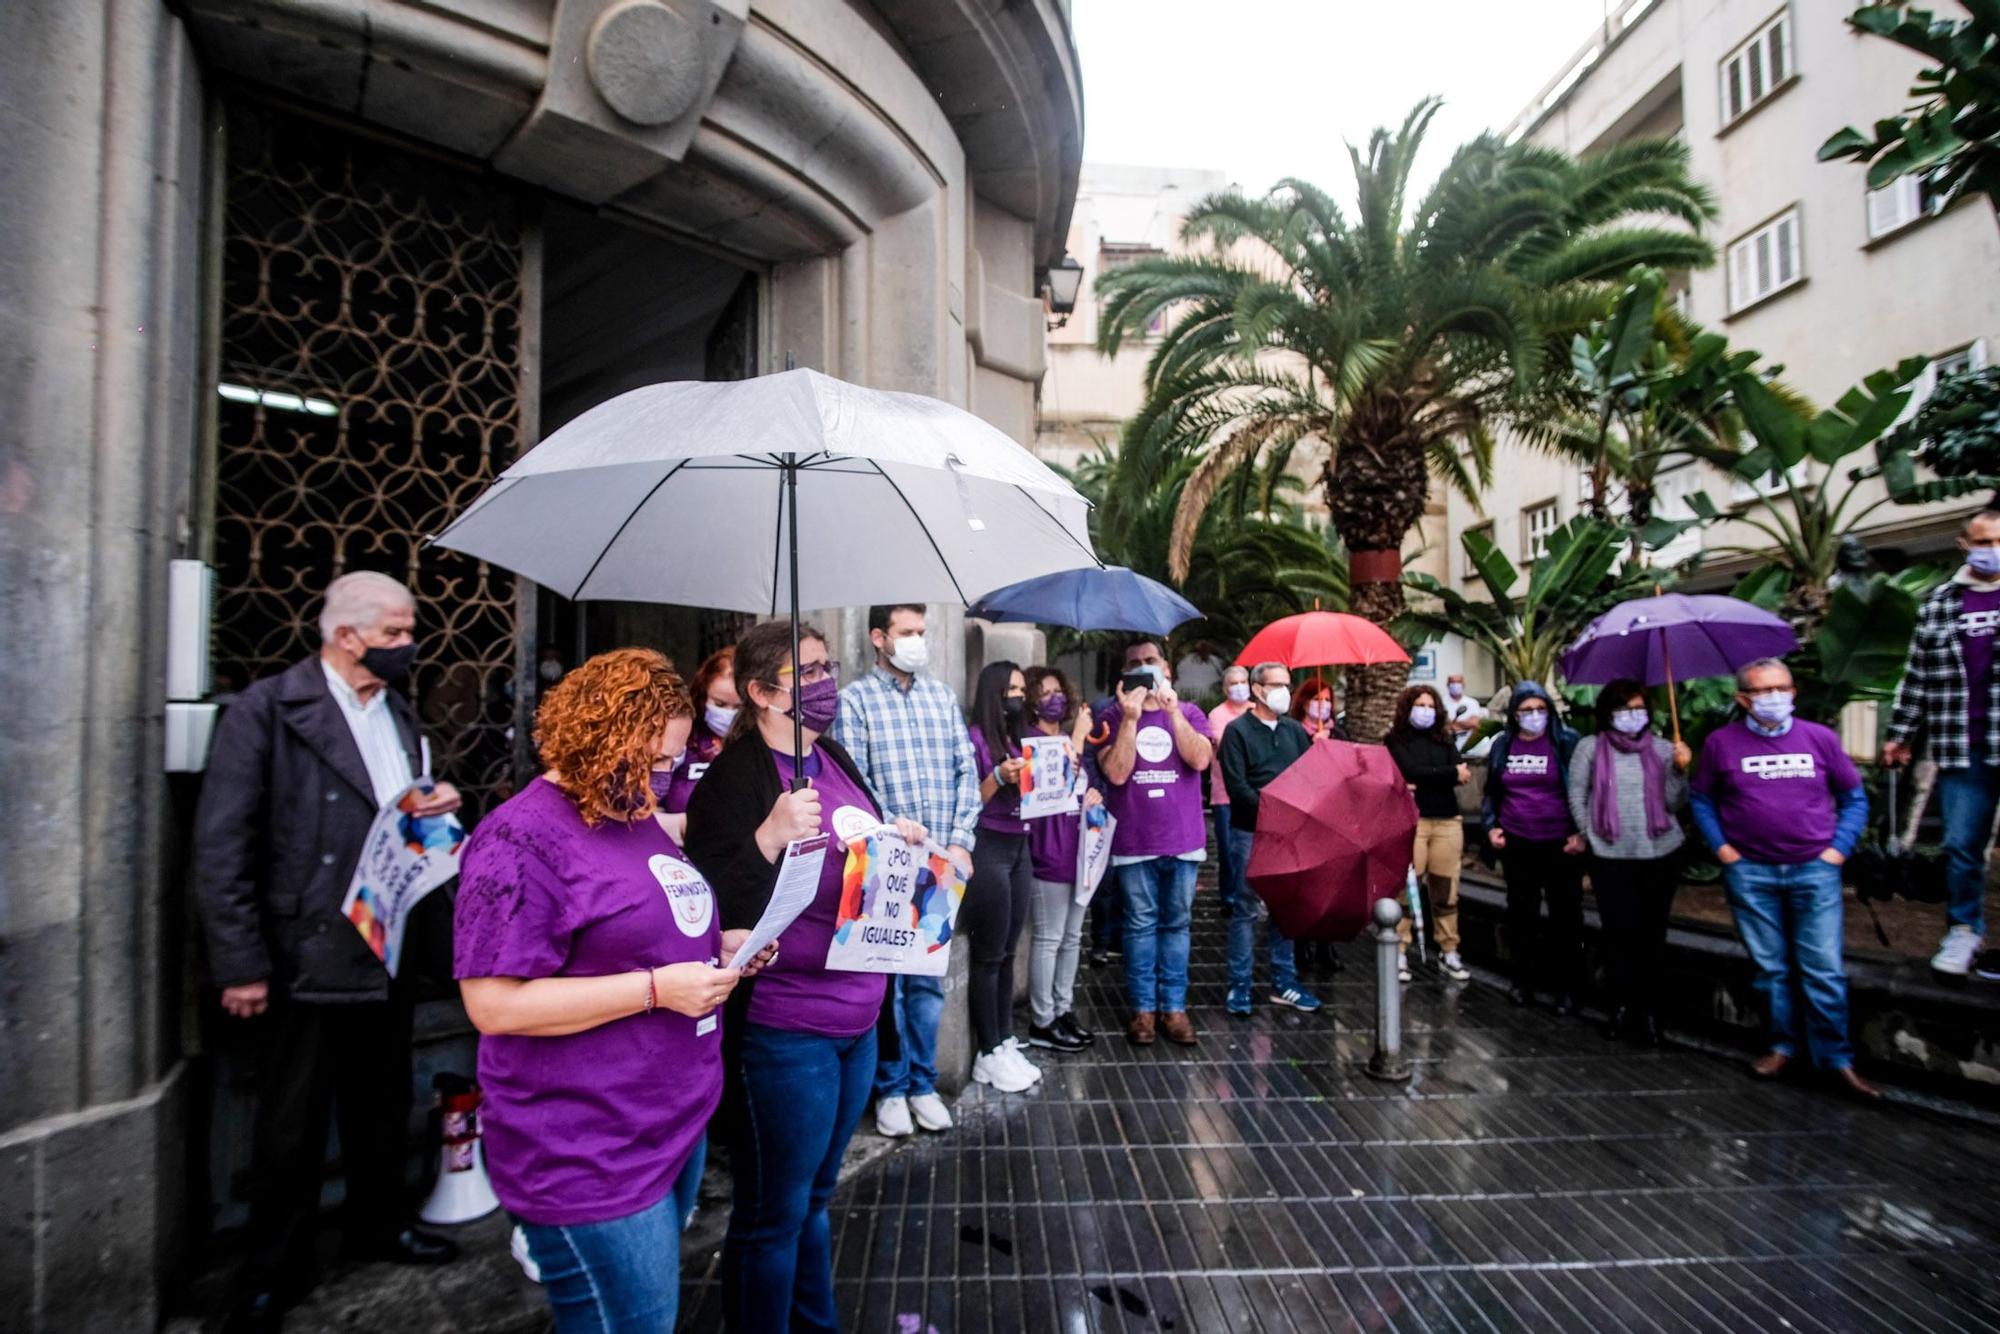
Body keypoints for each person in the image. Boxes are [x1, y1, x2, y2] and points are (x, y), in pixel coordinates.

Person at [455, 649, 772, 1334]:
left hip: (667, 1127)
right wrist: (657, 990)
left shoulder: (631, 813)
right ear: (600, 736)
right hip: (586, 1150)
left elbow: (635, 927)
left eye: (675, 761)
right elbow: (494, 1005)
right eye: (656, 761)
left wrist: (718, 948)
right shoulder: (519, 839)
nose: (667, 779)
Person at [193, 572, 461, 1334]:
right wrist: (238, 961)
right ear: (347, 636)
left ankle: (382, 1226)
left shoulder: (401, 711)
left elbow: (400, 808)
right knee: (290, 1123)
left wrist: (437, 802)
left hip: (386, 941)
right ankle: (270, 1270)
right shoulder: (268, 711)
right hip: (302, 950)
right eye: (396, 634)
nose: (411, 646)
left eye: (409, 632)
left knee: (381, 1103)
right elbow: (222, 846)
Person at [684, 620, 932, 1329]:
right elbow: (707, 907)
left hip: (856, 1020)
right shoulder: (733, 781)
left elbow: (855, 857)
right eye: (811, 673)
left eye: (829, 667)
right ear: (763, 693)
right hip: (787, 1030)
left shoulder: (836, 757)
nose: (827, 685)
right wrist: (769, 835)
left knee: (816, 1200)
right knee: (774, 1213)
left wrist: (896, 840)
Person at [1690, 658, 1877, 1098]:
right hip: (1751, 872)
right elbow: (1701, 800)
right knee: (1770, 969)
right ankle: (1782, 1047)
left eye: (1782, 688)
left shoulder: (1820, 739)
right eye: (1762, 691)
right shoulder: (1721, 744)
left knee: (1823, 968)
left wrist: (1837, 851)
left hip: (1815, 869)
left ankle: (1837, 1059)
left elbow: (1853, 797)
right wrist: (1724, 850)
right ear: (1742, 700)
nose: (1775, 698)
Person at [831, 604, 979, 1139]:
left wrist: (960, 843)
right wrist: (890, 823)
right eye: (907, 632)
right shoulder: (855, 702)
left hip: (939, 867)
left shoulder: (942, 698)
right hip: (885, 867)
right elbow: (852, 781)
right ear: (879, 638)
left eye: (922, 632)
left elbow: (968, 772)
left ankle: (923, 1083)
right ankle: (890, 1088)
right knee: (886, 987)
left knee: (926, 986)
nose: (917, 641)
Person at [1885, 508, 2000, 979]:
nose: (1991, 550)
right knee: (1961, 845)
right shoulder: (1939, 603)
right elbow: (1917, 676)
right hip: (1962, 744)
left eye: (1998, 541)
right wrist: (1900, 733)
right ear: (1963, 545)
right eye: (1983, 542)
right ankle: (1964, 931)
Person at [1094, 639, 1214, 1046]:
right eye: (1135, 665)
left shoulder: (1191, 712)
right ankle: (1143, 1011)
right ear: (1123, 676)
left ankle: (1174, 1009)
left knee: (1176, 925)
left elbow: (1199, 759)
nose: (1144, 669)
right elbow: (1115, 773)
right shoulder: (1111, 715)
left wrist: (1173, 712)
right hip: (1134, 842)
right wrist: (1129, 719)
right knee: (1139, 926)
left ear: (1168, 668)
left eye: (1151, 662)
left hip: (1182, 841)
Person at [1567, 679, 1691, 1045]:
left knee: (1653, 935)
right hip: (1610, 856)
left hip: (1659, 853)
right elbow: (1577, 792)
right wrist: (1588, 833)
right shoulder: (1590, 749)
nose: (1631, 717)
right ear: (1608, 713)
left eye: (1638, 709)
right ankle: (1620, 1008)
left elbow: (1674, 803)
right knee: (1618, 934)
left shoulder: (1665, 749)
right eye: (1623, 710)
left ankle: (1651, 1012)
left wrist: (1681, 770)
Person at [1218, 661, 1324, 1015]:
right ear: (1258, 689)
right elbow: (1238, 787)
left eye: (1288, 685)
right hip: (1252, 833)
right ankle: (1240, 986)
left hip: (1292, 836)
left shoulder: (1295, 732)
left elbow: (1312, 778)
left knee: (1286, 909)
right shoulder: (1238, 732)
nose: (1284, 691)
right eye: (1277, 684)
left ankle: (1284, 982)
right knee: (1246, 910)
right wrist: (1274, 812)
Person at [961, 661, 1043, 1091]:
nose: (1015, 696)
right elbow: (968, 800)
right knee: (989, 953)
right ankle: (987, 1050)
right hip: (988, 844)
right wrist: (997, 775)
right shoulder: (976, 738)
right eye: (1007, 689)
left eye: (1020, 688)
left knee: (1010, 949)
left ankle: (1005, 1038)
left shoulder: (1023, 737)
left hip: (1020, 844)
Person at [1481, 682, 1587, 1013]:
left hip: (1560, 844)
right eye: (1525, 710)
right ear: (1514, 714)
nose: (1534, 716)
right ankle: (1523, 982)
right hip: (1518, 842)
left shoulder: (1566, 742)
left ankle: (1567, 989)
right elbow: (1491, 790)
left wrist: (1581, 832)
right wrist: (1491, 826)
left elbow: (1586, 788)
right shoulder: (1503, 745)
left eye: (1540, 709)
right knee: (1521, 915)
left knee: (1566, 918)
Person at [1021, 665, 1103, 1053]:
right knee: (1050, 938)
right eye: (1044, 692)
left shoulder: (1072, 741)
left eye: (1059, 690)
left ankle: (1063, 1007)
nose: (1055, 698)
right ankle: (1043, 1019)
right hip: (1048, 853)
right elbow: (1052, 787)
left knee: (1072, 938)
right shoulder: (1031, 742)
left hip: (1080, 853)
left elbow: (1083, 785)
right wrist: (1078, 740)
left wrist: (1094, 796)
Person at [1385, 684, 1471, 984]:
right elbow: (1412, 770)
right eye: (1419, 705)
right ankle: (1398, 950)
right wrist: (1447, 774)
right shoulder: (1395, 739)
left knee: (1446, 889)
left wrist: (1433, 775)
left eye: (1430, 705)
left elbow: (1461, 772)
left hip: (1447, 820)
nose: (1425, 711)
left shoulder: (1445, 738)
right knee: (1407, 889)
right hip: (1414, 822)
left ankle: (1449, 950)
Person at [655, 646, 739, 840]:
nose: (728, 713)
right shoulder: (681, 736)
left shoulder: (759, 744)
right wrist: (681, 826)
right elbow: (647, 802)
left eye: (738, 706)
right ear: (703, 693)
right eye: (719, 704)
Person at [1207, 665, 1255, 922]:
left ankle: (1247, 895)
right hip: (1225, 793)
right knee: (1228, 850)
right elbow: (1229, 748)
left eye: (1243, 681)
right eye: (1234, 683)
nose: (1239, 687)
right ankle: (1229, 895)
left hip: (1254, 794)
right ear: (1225, 689)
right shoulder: (1217, 715)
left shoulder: (1256, 712)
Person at [1289, 677, 1345, 742]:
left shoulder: (1337, 734)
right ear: (1304, 703)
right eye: (1317, 699)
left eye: (1327, 700)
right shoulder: (1293, 732)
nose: (1323, 703)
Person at [1445, 673, 1488, 752]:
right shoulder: (1442, 702)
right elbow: (1442, 724)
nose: (1455, 685)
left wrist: (1452, 722)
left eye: (1458, 682)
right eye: (1453, 682)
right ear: (1448, 684)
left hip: (1467, 740)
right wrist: (1466, 723)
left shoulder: (1472, 702)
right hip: (1447, 741)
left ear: (1463, 684)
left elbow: (1475, 724)